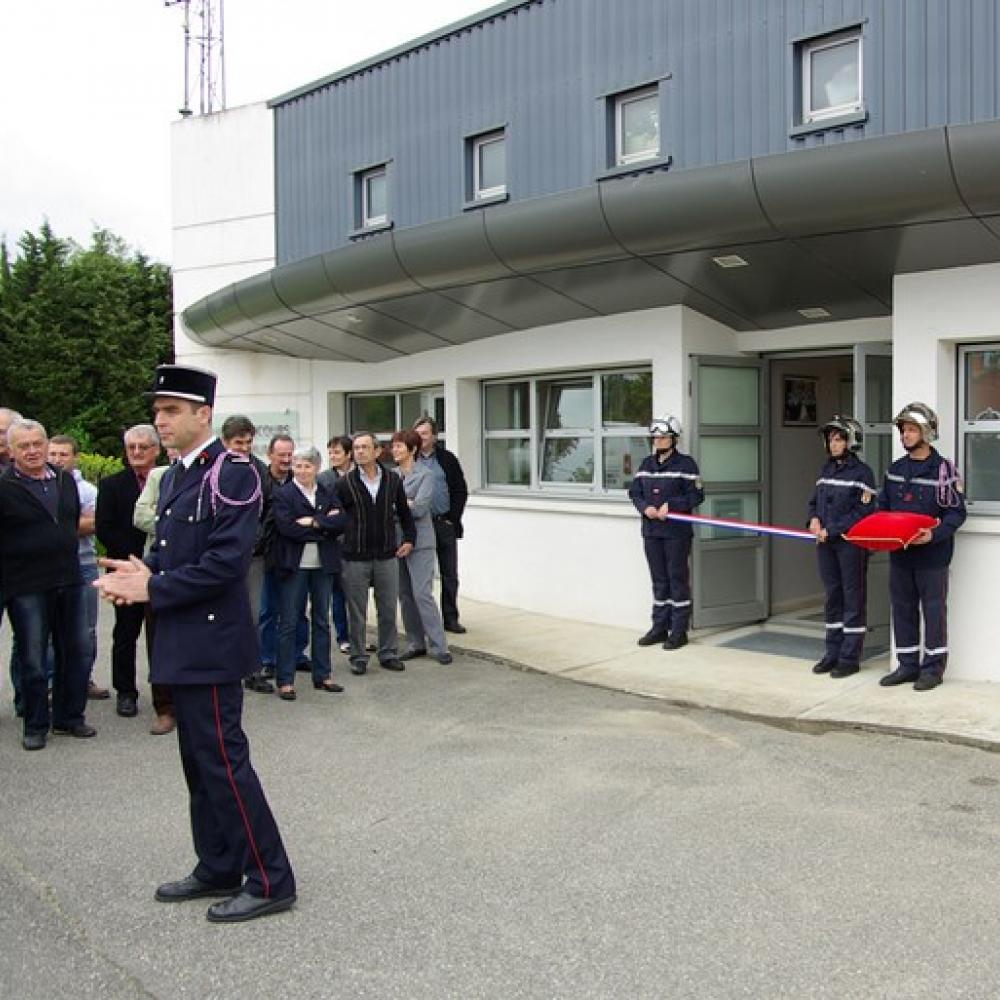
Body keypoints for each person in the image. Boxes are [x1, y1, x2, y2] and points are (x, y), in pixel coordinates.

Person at [96, 363, 296, 922]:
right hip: (181, 640)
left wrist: (151, 586)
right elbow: (177, 550)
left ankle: (270, 876)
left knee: (224, 763)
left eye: (171, 410)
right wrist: (142, 573)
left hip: (210, 643)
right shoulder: (180, 473)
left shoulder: (232, 472)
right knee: (198, 763)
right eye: (158, 410)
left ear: (203, 414)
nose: (160, 420)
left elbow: (225, 565)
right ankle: (217, 865)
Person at [0, 419, 94, 750]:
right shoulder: (4, 486)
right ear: (11, 452)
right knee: (34, 658)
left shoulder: (65, 481)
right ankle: (36, 724)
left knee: (77, 651)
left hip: (69, 578)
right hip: (26, 585)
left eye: (37, 443)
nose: (33, 450)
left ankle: (69, 718)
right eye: (23, 446)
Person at [877, 402, 967, 691]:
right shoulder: (895, 469)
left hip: (932, 557)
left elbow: (956, 513)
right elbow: (883, 509)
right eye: (903, 429)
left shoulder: (944, 470)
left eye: (912, 429)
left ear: (926, 432)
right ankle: (907, 665)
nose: (905, 434)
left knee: (933, 611)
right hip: (901, 557)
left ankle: (933, 669)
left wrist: (934, 534)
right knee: (902, 609)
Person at [96, 425, 171, 721]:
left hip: (161, 569)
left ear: (156, 450)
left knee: (161, 635)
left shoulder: (169, 479)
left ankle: (164, 697)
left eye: (143, 447)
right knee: (125, 632)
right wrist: (133, 558)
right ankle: (126, 692)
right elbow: (105, 527)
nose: (137, 453)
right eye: (131, 448)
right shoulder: (113, 485)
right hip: (127, 568)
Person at [334, 431, 416, 674]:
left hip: (386, 554)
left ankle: (388, 652)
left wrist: (410, 539)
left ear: (377, 451)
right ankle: (358, 656)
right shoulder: (344, 483)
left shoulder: (392, 480)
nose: (359, 451)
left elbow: (404, 512)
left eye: (364, 447)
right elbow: (334, 516)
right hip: (355, 556)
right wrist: (342, 542)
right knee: (357, 610)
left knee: (388, 607)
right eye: (356, 448)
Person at [271, 445, 348, 699]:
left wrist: (314, 521)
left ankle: (323, 676)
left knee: (322, 621)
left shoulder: (327, 491)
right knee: (289, 622)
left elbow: (341, 523)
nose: (302, 471)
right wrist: (324, 524)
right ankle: (285, 680)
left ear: (317, 467)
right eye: (298, 465)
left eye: (307, 466)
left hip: (323, 565)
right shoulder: (283, 494)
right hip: (295, 565)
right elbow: (287, 528)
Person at [806, 417, 876, 678]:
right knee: (833, 596)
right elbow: (814, 502)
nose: (832, 444)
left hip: (850, 545)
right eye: (830, 439)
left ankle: (850, 657)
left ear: (851, 442)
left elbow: (863, 512)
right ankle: (832, 652)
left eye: (838, 439)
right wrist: (813, 520)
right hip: (826, 545)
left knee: (852, 598)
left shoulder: (862, 473)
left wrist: (832, 529)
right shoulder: (825, 470)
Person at [628, 415, 705, 651]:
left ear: (674, 439)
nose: (658, 441)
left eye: (663, 437)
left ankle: (679, 631)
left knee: (677, 580)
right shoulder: (645, 465)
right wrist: (645, 508)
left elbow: (697, 495)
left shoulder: (686, 464)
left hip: (676, 533)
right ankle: (659, 628)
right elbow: (635, 493)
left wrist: (671, 505)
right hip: (651, 532)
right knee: (659, 582)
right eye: (655, 437)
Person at [47, 434, 109, 701]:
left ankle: (84, 679)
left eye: (63, 454)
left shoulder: (89, 491)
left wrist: (54, 527)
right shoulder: (43, 486)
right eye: (54, 454)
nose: (57, 459)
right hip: (48, 567)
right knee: (50, 630)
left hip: (83, 564)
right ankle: (52, 683)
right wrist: (73, 524)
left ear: (75, 457)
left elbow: (94, 524)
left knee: (86, 629)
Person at [218, 416, 274, 695]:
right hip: (220, 556)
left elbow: (267, 512)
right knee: (221, 614)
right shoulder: (214, 470)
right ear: (225, 442)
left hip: (252, 554)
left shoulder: (259, 469)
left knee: (253, 614)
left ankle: (253, 671)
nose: (244, 448)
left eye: (248, 443)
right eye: (238, 443)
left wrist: (254, 541)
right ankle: (223, 670)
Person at [390, 430, 452, 665]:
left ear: (412, 449)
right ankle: (416, 642)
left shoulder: (426, 475)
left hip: (421, 542)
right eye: (393, 446)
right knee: (405, 595)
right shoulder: (392, 476)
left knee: (422, 593)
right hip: (397, 540)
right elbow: (386, 506)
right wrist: (405, 503)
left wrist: (399, 505)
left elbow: (419, 509)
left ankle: (439, 645)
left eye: (399, 446)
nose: (395, 450)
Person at [133, 446, 181, 735]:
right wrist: (172, 525)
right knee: (158, 641)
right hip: (157, 566)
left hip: (190, 571)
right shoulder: (160, 477)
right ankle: (164, 708)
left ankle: (190, 704)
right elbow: (141, 516)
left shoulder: (212, 478)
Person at [258, 434, 310, 679]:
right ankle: (268, 659)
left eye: (290, 455)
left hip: (295, 553)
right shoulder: (259, 481)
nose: (287, 460)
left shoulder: (300, 480)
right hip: (267, 554)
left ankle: (297, 655)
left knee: (297, 608)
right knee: (268, 610)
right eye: (282, 455)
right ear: (270, 455)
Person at [413, 417, 468, 634]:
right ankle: (424, 621)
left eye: (425, 434)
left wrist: (452, 518)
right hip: (420, 525)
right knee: (422, 577)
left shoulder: (447, 459)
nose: (421, 438)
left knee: (449, 574)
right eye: (418, 434)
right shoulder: (410, 460)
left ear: (434, 436)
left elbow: (459, 490)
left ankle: (451, 618)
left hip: (443, 523)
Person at [318, 434, 353, 654]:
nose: (333, 456)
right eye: (330, 452)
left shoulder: (360, 476)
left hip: (359, 542)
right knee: (338, 592)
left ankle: (357, 636)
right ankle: (343, 637)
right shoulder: (324, 479)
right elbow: (327, 511)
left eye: (337, 452)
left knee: (357, 594)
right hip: (335, 542)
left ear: (349, 454)